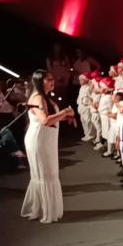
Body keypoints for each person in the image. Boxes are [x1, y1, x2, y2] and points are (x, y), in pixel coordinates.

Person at [20, 70, 75, 224]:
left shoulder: (45, 97)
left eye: (52, 79)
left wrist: (65, 117)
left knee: (47, 173)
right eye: (48, 79)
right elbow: (45, 121)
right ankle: (45, 210)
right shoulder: (37, 98)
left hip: (46, 139)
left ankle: (43, 207)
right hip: (39, 140)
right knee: (45, 174)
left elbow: (49, 119)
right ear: (39, 81)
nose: (53, 82)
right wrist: (65, 111)